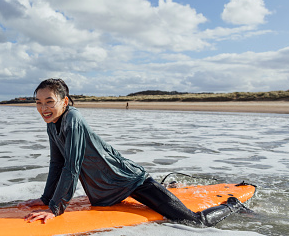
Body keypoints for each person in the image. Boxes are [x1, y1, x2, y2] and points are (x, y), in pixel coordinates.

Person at [23, 78, 250, 226]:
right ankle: (167, 189)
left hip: (131, 180)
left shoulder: (73, 118)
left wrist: (55, 209)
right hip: (106, 191)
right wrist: (45, 199)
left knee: (193, 222)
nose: (43, 108)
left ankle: (232, 205)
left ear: (65, 101)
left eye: (49, 101)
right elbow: (57, 163)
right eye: (38, 102)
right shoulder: (52, 124)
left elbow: (71, 166)